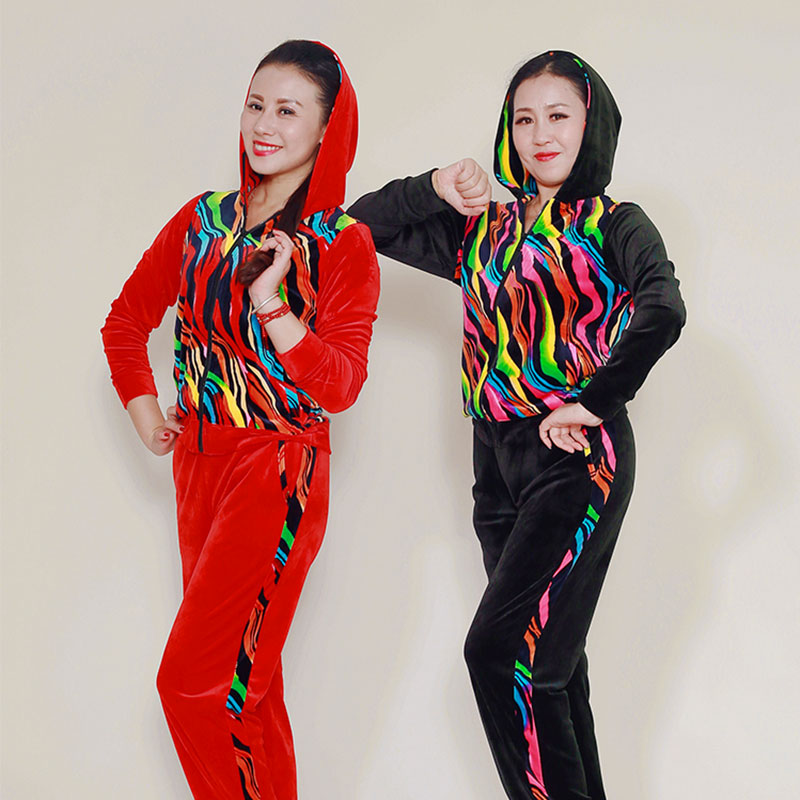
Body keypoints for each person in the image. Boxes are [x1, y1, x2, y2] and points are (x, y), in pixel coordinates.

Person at [349, 50, 685, 800]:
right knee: (550, 672)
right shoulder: (483, 228)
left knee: (502, 658)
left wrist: (594, 401)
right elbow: (356, 228)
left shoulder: (615, 224)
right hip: (494, 470)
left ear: (592, 124)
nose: (540, 134)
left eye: (559, 116)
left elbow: (663, 308)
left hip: (575, 460)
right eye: (524, 119)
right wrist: (433, 187)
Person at [101, 40, 379, 800]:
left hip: (277, 468)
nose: (264, 124)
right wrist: (147, 415)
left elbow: (342, 383)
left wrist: (272, 304)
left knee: (197, 687)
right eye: (256, 104)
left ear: (326, 128)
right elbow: (125, 323)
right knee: (246, 690)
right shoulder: (203, 220)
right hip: (197, 466)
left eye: (288, 110)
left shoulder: (340, 241)